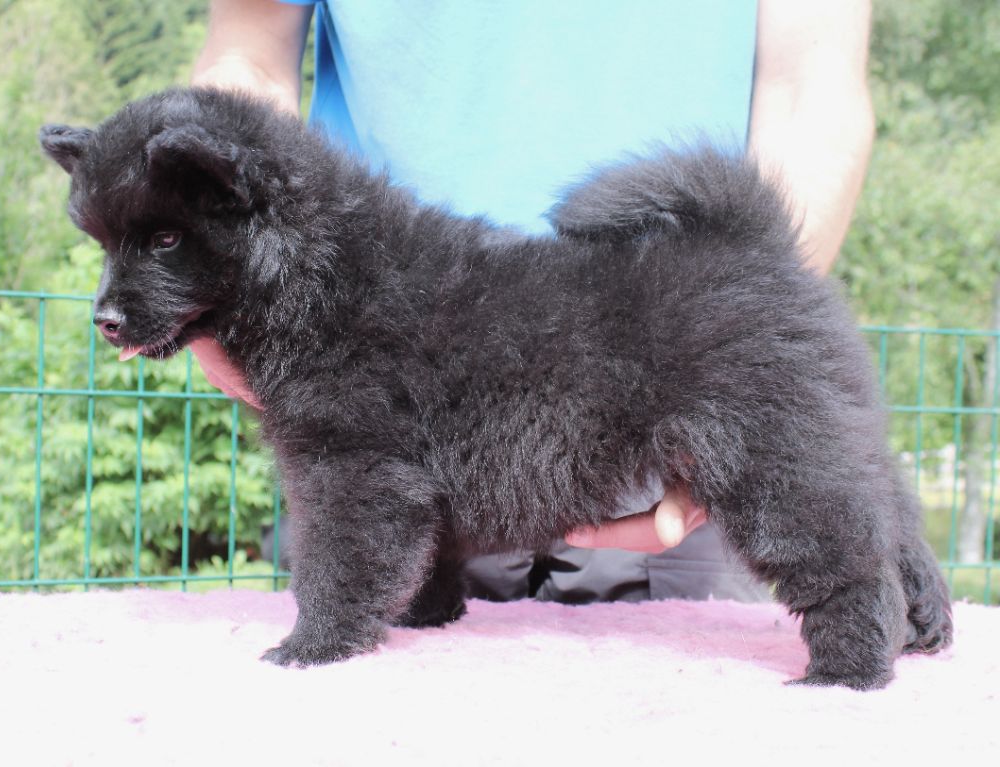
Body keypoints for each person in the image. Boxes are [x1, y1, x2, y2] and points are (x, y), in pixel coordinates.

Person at [189, 0, 874, 602]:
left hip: (675, 368)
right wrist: (207, 267)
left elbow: (813, 94)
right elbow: (249, 56)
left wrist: (747, 379)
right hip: (388, 393)